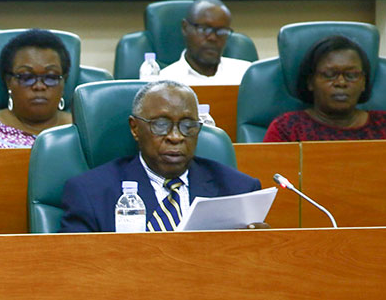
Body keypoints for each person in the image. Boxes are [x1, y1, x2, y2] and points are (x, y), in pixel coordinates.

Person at [59, 80, 261, 233]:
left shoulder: (238, 191)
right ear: (135, 128)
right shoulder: (90, 193)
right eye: (161, 125)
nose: (176, 137)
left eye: (188, 125)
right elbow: (76, 269)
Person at [264, 35, 386, 142]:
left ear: (363, 82)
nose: (341, 82)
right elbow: (270, 177)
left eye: (351, 75)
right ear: (310, 82)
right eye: (329, 75)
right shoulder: (287, 129)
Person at [0, 29, 73, 148]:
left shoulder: (84, 129)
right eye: (26, 77)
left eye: (51, 77)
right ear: (8, 81)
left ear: (64, 81)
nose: (39, 86)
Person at [159, 0, 251, 85]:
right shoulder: (165, 81)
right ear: (185, 27)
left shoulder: (246, 74)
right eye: (204, 29)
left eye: (222, 31)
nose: (213, 38)